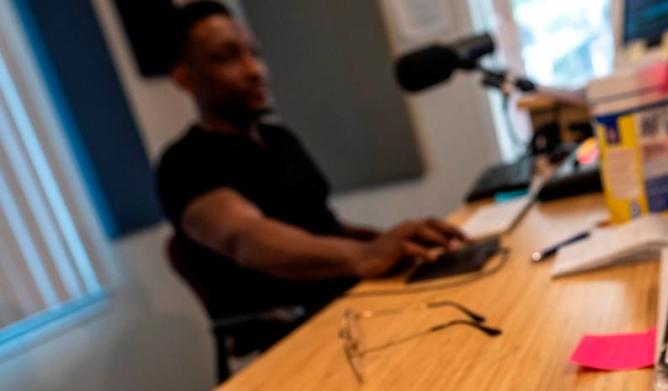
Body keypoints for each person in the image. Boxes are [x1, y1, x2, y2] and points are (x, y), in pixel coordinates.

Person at [156, 1, 463, 323]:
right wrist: (365, 255)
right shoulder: (184, 163)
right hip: (292, 332)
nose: (255, 69)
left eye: (255, 53)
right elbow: (245, 237)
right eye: (228, 57)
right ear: (184, 78)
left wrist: (396, 243)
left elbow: (320, 224)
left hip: (355, 300)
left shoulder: (279, 138)